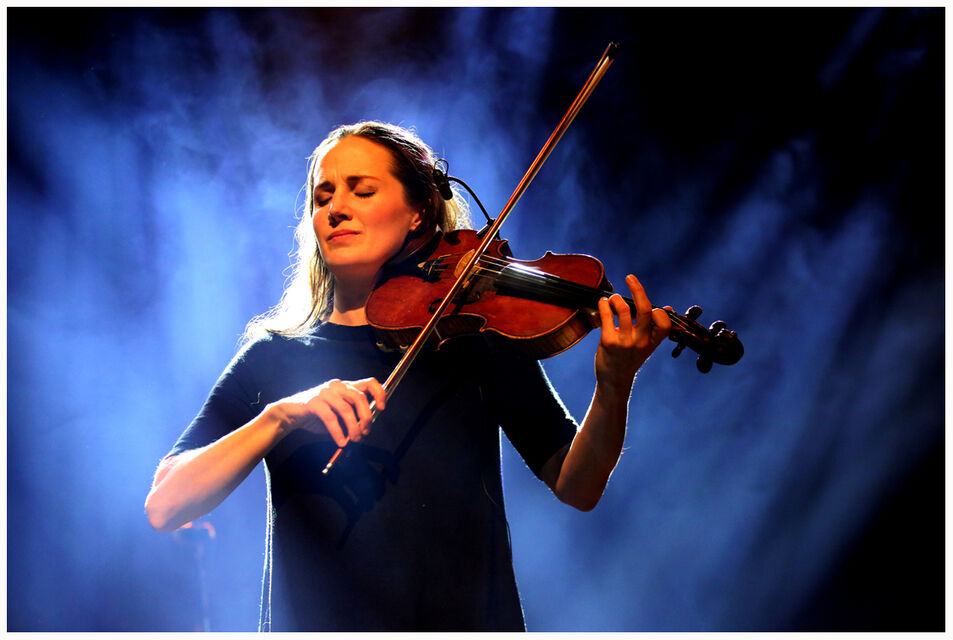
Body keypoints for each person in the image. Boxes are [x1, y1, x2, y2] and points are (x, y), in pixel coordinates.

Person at [145, 121, 672, 631]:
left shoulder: (473, 334)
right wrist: (280, 417)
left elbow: (578, 485)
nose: (336, 208)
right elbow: (166, 505)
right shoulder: (272, 355)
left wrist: (614, 384)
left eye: (362, 190)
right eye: (323, 197)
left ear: (419, 213)